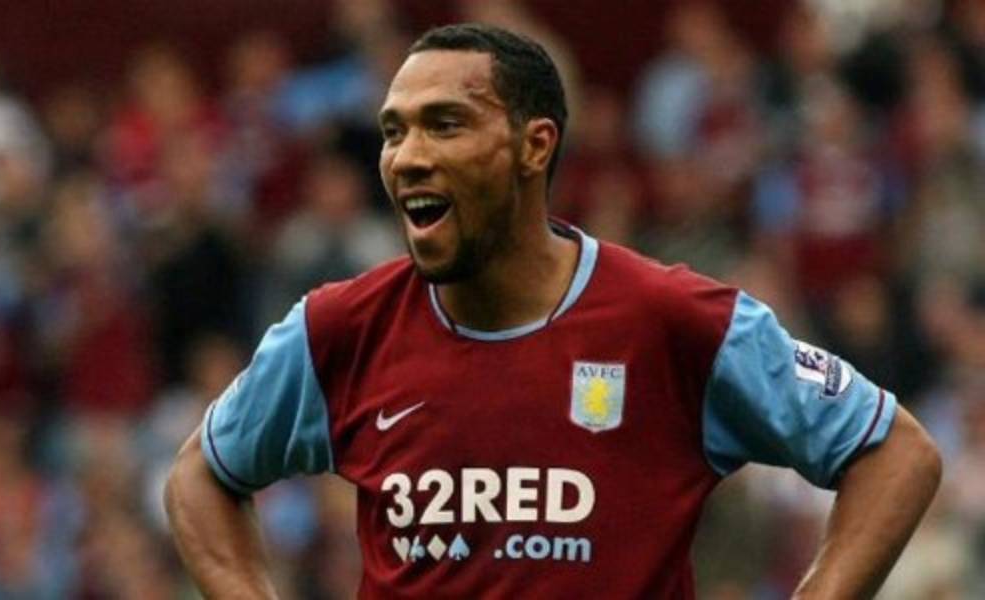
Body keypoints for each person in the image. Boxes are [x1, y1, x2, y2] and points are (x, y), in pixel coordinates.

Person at [164, 23, 942, 599]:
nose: (408, 157)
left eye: (445, 124)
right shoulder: (337, 330)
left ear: (535, 146)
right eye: (393, 131)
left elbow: (895, 454)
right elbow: (202, 475)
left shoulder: (673, 322)